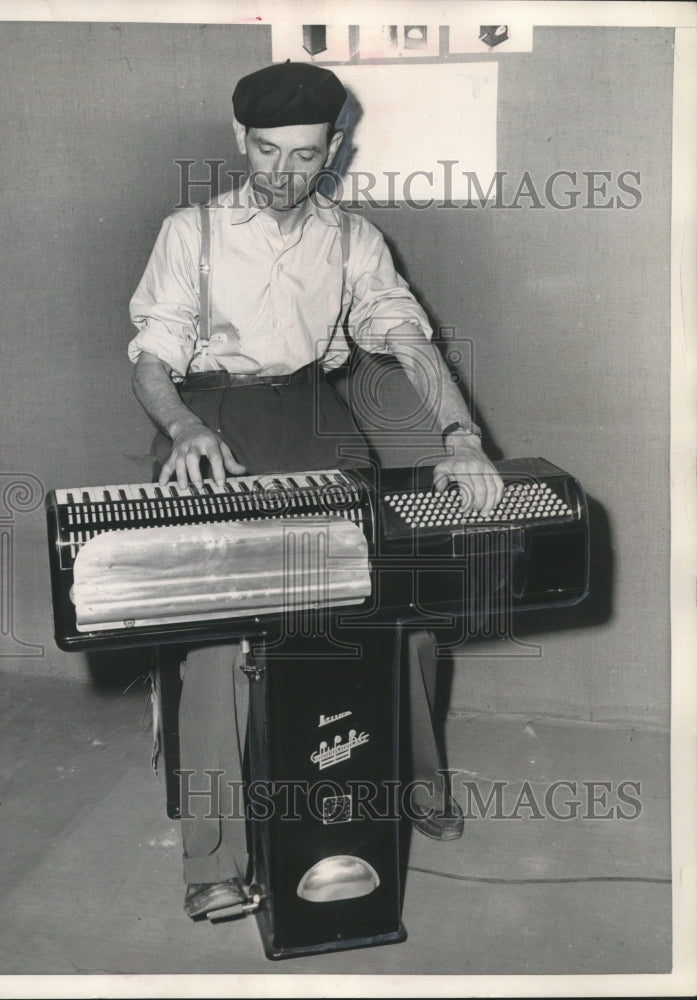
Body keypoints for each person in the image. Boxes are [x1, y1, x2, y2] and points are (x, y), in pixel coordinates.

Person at [129, 61, 504, 920]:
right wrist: (185, 428)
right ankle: (214, 857)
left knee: (393, 608)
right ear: (239, 141)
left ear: (333, 148)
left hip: (310, 412)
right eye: (267, 152)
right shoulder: (191, 231)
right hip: (209, 421)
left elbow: (407, 339)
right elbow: (154, 356)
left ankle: (409, 785)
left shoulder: (352, 238)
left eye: (304, 156)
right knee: (218, 639)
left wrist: (461, 437)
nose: (284, 175)